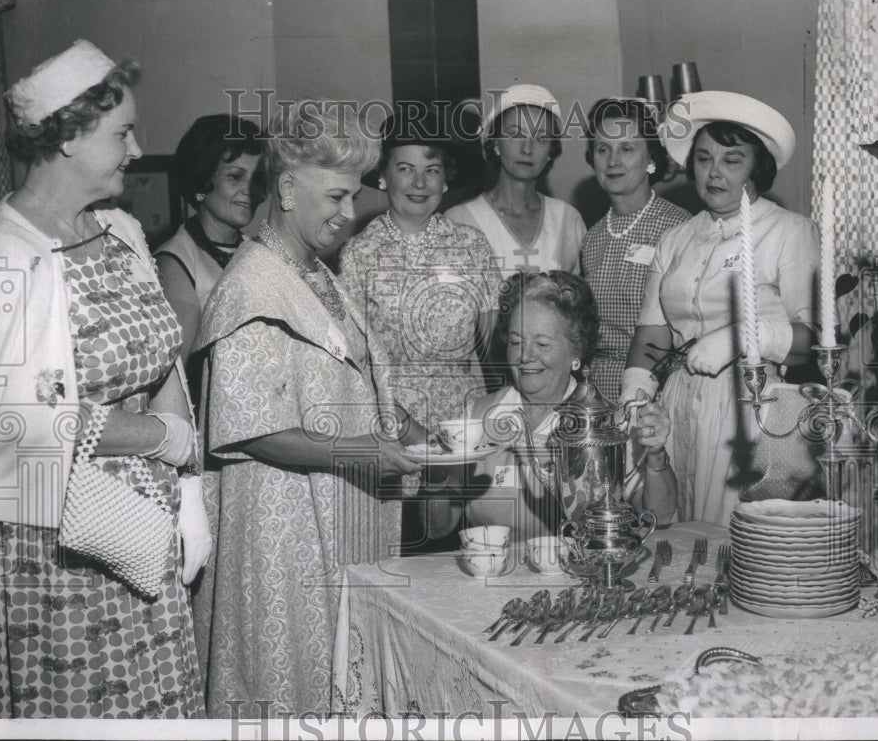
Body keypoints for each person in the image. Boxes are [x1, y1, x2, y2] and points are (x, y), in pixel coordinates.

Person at [0, 39, 209, 718]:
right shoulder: (3, 256)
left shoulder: (122, 231)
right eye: (123, 133)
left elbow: (166, 357)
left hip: (144, 537)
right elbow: (28, 423)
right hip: (62, 555)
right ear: (69, 137)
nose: (137, 151)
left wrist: (186, 487)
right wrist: (164, 440)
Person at [193, 100, 425, 717]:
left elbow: (344, 382)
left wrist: (404, 427)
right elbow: (253, 429)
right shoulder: (251, 286)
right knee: (293, 686)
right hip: (281, 530)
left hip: (337, 511)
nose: (349, 214)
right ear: (289, 189)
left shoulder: (315, 273)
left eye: (354, 197)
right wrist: (361, 451)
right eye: (337, 198)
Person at [622, 90, 821, 527]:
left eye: (732, 160)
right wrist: (632, 405)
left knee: (737, 542)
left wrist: (743, 336)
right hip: (675, 403)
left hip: (750, 408)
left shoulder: (789, 231)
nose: (714, 173)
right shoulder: (675, 239)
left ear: (757, 168)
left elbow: (814, 340)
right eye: (704, 158)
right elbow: (652, 338)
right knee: (671, 535)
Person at [429, 271, 678, 544]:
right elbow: (438, 528)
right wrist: (435, 466)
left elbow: (660, 517)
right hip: (492, 576)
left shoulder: (605, 424)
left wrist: (655, 455)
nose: (524, 356)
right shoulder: (479, 415)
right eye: (515, 342)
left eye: (542, 344)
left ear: (576, 352)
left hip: (574, 576)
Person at [339, 108, 503, 430]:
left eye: (432, 170)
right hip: (390, 420)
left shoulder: (472, 245)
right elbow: (353, 361)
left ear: (445, 180)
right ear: (384, 176)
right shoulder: (358, 254)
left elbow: (496, 347)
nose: (419, 182)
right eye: (405, 168)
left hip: (466, 418)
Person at [580, 97, 691, 401]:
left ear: (651, 158)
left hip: (656, 389)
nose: (613, 161)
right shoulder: (592, 238)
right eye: (603, 150)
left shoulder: (679, 227)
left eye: (627, 149)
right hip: (597, 392)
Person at [155, 114, 263, 405]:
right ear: (203, 179)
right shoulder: (175, 261)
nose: (249, 190)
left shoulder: (260, 251)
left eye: (257, 178)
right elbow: (171, 378)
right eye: (235, 176)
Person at [445, 84, 586, 276]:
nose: (527, 149)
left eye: (541, 138)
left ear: (550, 153)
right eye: (516, 134)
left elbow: (581, 301)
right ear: (495, 143)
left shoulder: (568, 220)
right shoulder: (459, 221)